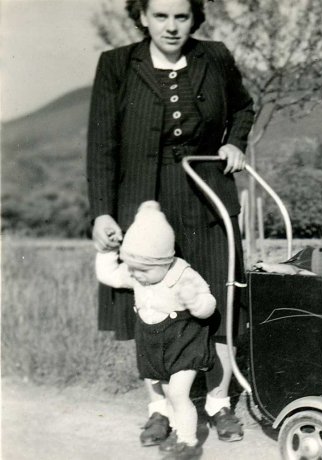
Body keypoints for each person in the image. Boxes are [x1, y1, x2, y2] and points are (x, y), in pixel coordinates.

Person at [87, 0, 254, 448]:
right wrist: (102, 210)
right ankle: (159, 409)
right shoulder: (117, 65)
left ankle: (218, 401)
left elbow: (242, 108)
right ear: (142, 16)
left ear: (194, 19)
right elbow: (101, 142)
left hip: (206, 192)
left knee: (218, 295)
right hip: (142, 200)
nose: (171, 26)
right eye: (160, 15)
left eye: (181, 16)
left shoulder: (214, 56)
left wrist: (235, 144)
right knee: (148, 300)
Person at [96, 201, 216, 459]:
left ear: (166, 260)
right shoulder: (138, 271)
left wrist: (195, 302)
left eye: (144, 270)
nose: (136, 276)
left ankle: (188, 442)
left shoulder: (182, 274)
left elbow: (209, 305)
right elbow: (109, 275)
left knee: (178, 393)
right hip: (155, 342)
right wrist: (107, 251)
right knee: (166, 391)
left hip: (184, 342)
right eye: (132, 269)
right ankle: (176, 432)